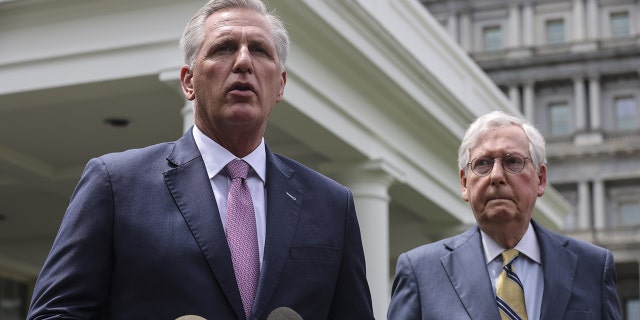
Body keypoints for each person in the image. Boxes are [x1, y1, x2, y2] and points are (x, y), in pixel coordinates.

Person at [27, 0, 374, 319]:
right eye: (224, 48)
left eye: (259, 50)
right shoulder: (115, 184)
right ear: (188, 81)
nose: (242, 62)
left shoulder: (332, 204)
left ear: (280, 85)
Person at [388, 110, 621, 319]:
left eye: (512, 162)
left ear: (540, 179)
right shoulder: (420, 272)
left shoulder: (593, 267)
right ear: (464, 183)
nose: (496, 175)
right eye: (482, 164)